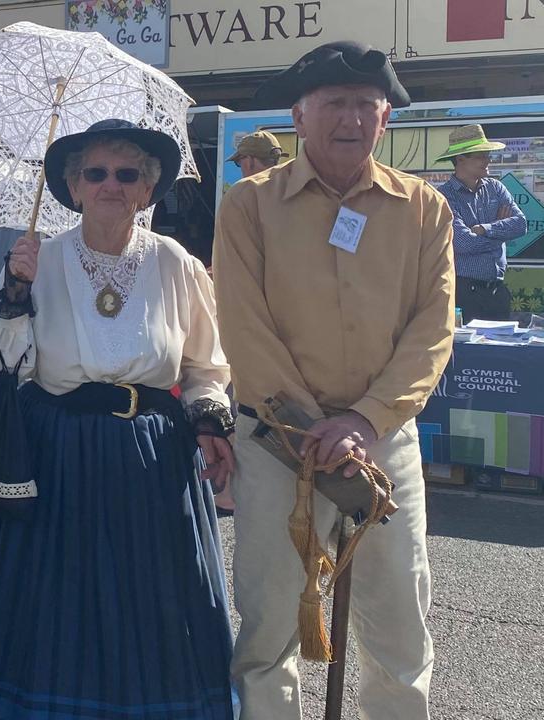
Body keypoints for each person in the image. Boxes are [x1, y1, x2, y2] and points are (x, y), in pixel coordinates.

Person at [0, 118, 236, 720]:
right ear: (73, 187)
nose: (111, 184)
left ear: (147, 187)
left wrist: (208, 422)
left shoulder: (175, 261)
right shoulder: (38, 258)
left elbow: (207, 363)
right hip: (60, 456)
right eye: (95, 173)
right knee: (59, 605)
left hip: (154, 461)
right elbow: (4, 363)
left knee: (152, 603)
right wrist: (15, 291)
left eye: (126, 174)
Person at [214, 41, 454, 719]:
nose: (348, 118)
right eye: (333, 103)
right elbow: (241, 325)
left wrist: (361, 421)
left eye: (363, 105)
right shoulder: (248, 206)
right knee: (266, 635)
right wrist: (310, 427)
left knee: (398, 634)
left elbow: (431, 332)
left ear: (384, 121)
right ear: (298, 115)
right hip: (274, 447)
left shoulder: (422, 209)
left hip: (380, 446)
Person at [435, 124, 525, 322]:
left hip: (497, 291)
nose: (487, 160)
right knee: (466, 351)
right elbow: (463, 243)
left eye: (487, 154)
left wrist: (486, 228)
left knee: (501, 352)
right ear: (460, 159)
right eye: (480, 155)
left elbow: (521, 224)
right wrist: (501, 233)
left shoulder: (495, 187)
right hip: (463, 291)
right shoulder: (444, 197)